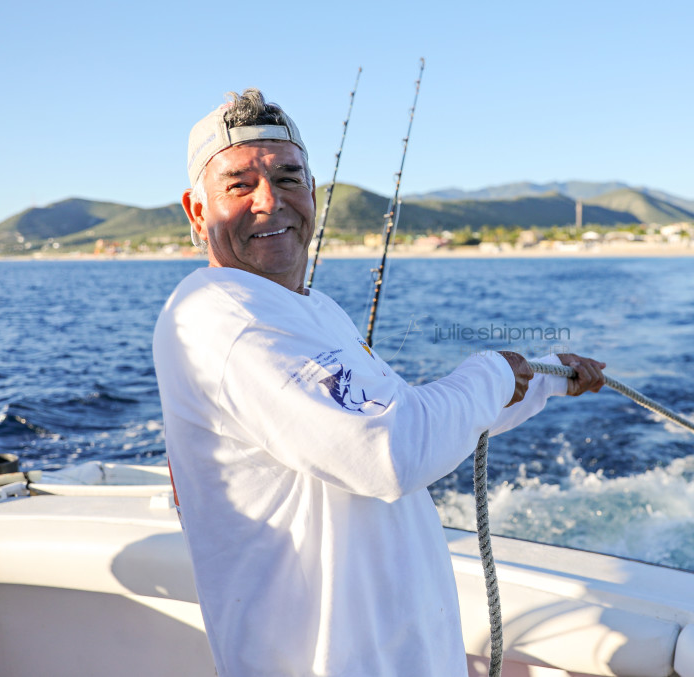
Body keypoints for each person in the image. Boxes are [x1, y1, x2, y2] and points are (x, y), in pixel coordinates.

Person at [153, 88, 607, 677]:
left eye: (289, 178)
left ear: (312, 194)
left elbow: (408, 417)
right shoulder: (224, 318)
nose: (271, 201)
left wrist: (543, 380)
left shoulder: (307, 308)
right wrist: (493, 371)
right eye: (239, 185)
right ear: (195, 210)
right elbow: (387, 452)